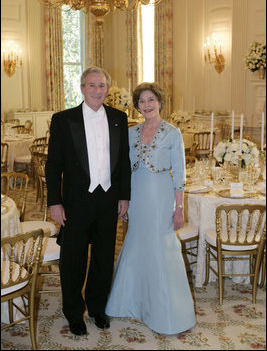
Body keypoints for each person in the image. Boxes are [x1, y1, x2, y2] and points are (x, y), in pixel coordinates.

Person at [45, 66, 131, 336]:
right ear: (82, 88)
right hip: (75, 202)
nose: (97, 90)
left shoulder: (119, 117)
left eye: (102, 85)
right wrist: (54, 202)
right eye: (91, 85)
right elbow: (52, 165)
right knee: (74, 260)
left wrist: (124, 196)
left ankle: (96, 308)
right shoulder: (63, 119)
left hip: (108, 200)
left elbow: (124, 162)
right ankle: (73, 312)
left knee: (104, 258)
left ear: (108, 89)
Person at [105, 82, 196, 335]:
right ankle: (132, 302)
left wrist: (179, 207)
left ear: (160, 101)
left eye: (150, 100)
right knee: (136, 243)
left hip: (160, 198)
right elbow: (122, 170)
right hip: (136, 196)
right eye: (141, 101)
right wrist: (123, 201)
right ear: (137, 106)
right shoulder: (131, 132)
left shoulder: (172, 132)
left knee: (161, 247)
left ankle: (166, 310)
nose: (146, 105)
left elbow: (179, 174)